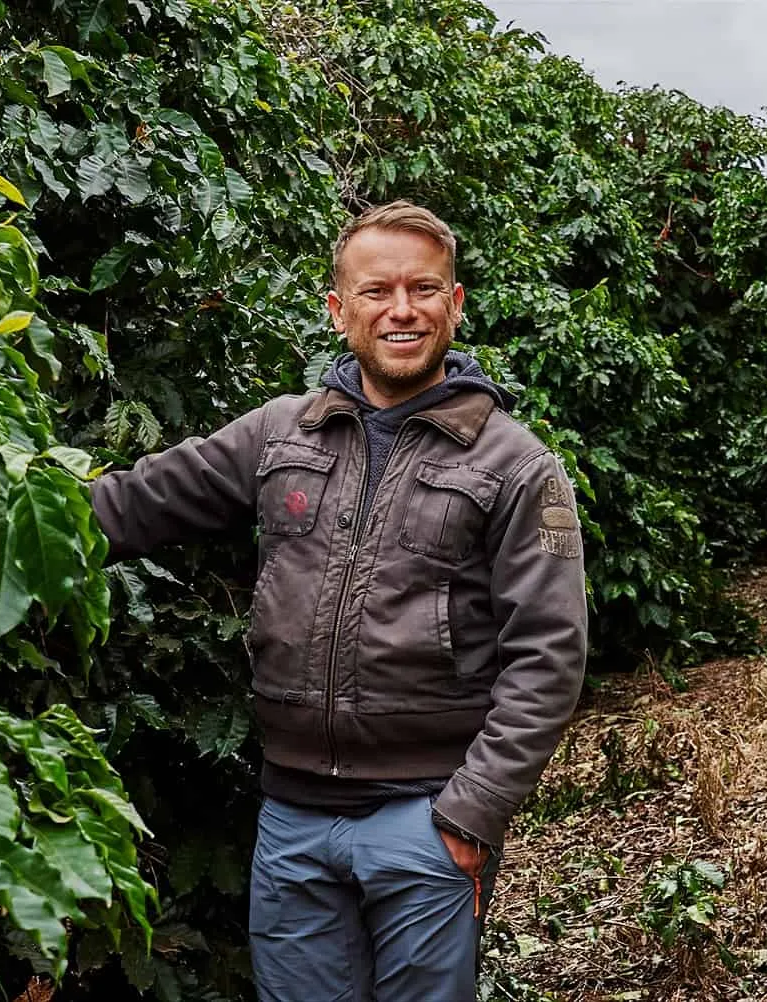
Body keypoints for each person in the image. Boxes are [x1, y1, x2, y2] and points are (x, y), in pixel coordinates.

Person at [90, 200, 588, 1002]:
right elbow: (136, 504)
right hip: (293, 819)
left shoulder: (515, 465)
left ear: (455, 304)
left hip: (425, 817)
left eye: (424, 289)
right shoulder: (280, 433)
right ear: (337, 309)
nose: (402, 310)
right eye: (376, 291)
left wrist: (472, 813)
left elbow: (550, 654)